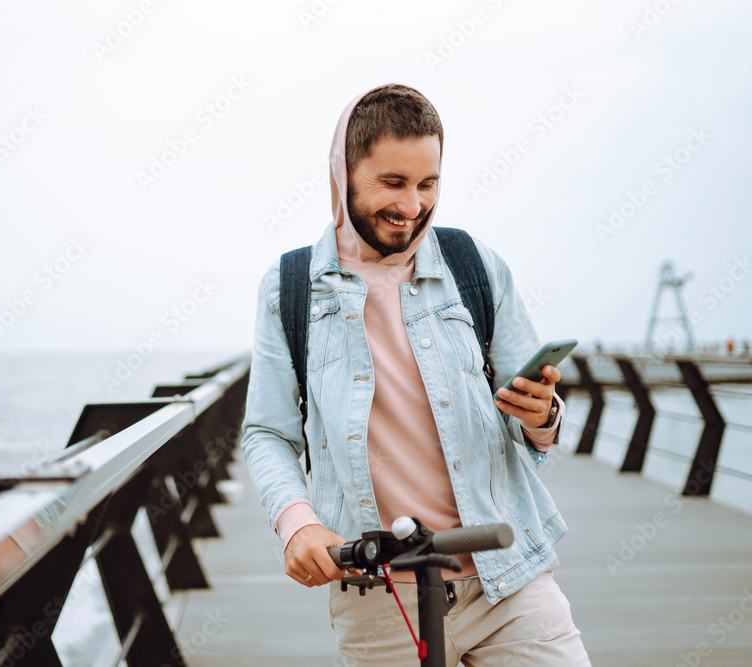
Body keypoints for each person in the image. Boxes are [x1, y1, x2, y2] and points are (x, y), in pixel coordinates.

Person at [241, 84, 591, 665]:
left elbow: (541, 415)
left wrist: (543, 417)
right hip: (379, 596)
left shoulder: (474, 264)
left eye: (428, 184)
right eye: (393, 183)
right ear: (343, 173)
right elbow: (268, 433)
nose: (412, 206)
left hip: (508, 577)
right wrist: (296, 522)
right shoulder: (290, 289)